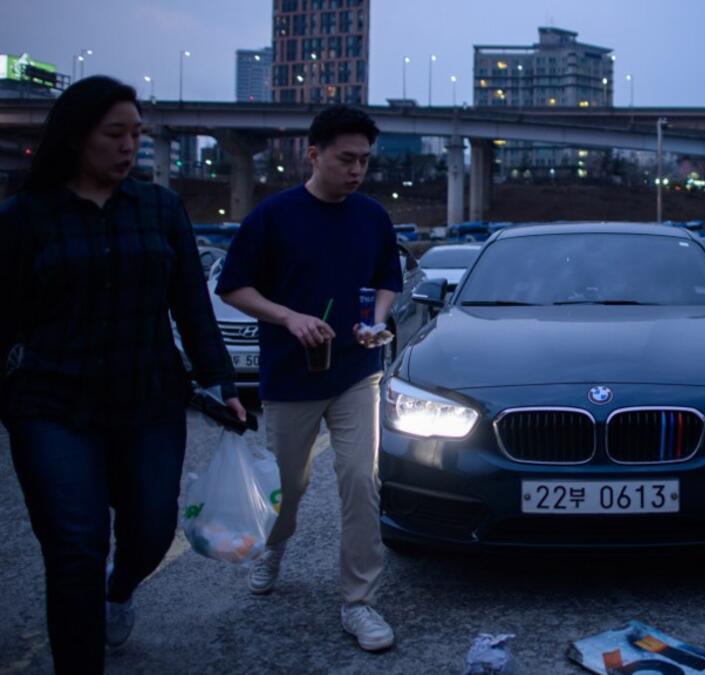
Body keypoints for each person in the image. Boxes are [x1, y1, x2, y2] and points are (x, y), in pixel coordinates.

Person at [0, 76, 244, 674]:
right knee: (76, 549)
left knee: (154, 528)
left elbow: (191, 299)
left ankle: (120, 588)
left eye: (137, 132)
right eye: (116, 133)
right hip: (54, 406)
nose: (130, 144)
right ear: (77, 137)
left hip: (149, 401)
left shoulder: (159, 208)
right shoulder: (25, 216)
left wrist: (221, 383)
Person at [216, 105, 403, 652]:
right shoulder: (273, 218)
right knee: (289, 488)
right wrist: (288, 317)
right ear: (313, 153)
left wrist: (376, 321)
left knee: (359, 480)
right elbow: (234, 287)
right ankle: (274, 546)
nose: (357, 171)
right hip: (290, 377)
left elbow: (387, 280)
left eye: (365, 161)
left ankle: (359, 602)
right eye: (346, 159)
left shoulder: (372, 216)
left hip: (355, 371)